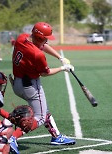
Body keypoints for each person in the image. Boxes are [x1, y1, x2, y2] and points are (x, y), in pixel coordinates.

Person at [9, 22, 76, 154]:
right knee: (39, 117)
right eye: (45, 38)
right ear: (39, 38)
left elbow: (43, 45)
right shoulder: (37, 54)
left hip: (17, 84)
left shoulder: (21, 38)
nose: (47, 40)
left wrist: (60, 57)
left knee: (44, 109)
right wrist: (63, 68)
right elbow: (45, 73)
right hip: (30, 87)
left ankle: (56, 136)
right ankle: (12, 138)